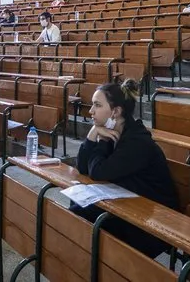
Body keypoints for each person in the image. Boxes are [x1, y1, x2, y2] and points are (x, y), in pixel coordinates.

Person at [70, 79, 179, 259]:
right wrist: (93, 134)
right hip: (131, 206)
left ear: (115, 112)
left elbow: (98, 172)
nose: (90, 111)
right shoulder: (115, 132)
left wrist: (101, 139)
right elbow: (83, 167)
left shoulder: (136, 142)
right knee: (78, 210)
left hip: (155, 219)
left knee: (82, 217)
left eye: (97, 105)